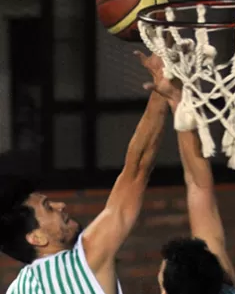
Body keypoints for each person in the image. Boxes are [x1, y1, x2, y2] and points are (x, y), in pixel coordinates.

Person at [1, 52, 169, 294]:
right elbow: (137, 168)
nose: (60, 205)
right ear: (36, 237)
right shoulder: (85, 258)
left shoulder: (17, 289)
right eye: (48, 207)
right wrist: (160, 88)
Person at [140, 53, 235, 294]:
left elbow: (199, 185)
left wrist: (176, 101)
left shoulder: (226, 285)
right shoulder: (223, 287)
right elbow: (199, 185)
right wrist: (177, 102)